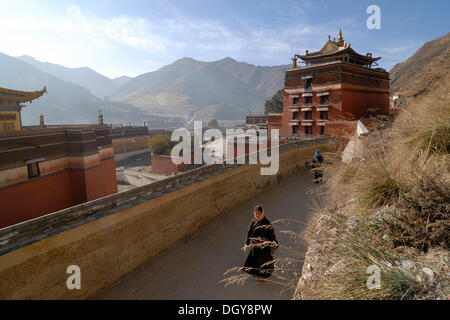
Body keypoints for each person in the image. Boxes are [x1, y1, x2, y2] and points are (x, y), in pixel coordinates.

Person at [243, 205, 278, 278]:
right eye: (255, 213)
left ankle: (265, 276)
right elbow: (249, 232)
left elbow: (272, 236)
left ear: (262, 213)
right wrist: (247, 244)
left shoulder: (267, 223)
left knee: (265, 263)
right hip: (255, 246)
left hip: (264, 247)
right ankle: (257, 276)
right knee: (254, 261)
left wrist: (273, 246)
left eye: (258, 213)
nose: (256, 215)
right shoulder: (253, 221)